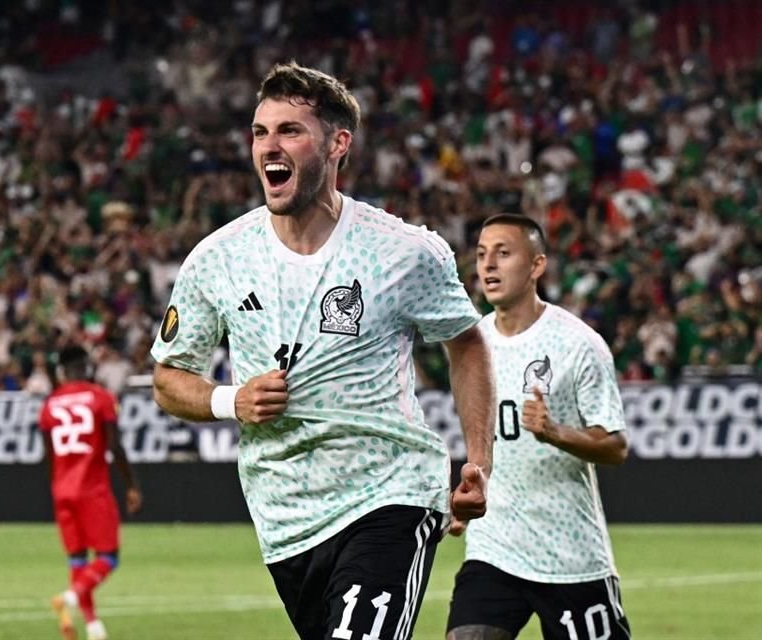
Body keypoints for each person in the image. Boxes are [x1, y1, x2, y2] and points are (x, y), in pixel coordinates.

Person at [151, 61, 495, 640]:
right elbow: (169, 377)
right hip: (285, 515)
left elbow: (466, 342)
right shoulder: (218, 259)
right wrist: (230, 401)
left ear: (338, 144)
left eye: (290, 130)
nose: (269, 146)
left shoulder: (404, 252)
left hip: (392, 493)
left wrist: (479, 460)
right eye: (261, 132)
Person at [446, 213, 631, 640]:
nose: (488, 265)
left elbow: (616, 446)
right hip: (494, 551)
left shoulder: (577, 344)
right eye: (481, 254)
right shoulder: (470, 344)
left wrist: (556, 432)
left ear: (536, 266)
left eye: (503, 253)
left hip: (569, 557)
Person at [38, 344, 143, 640]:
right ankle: (70, 598)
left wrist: (55, 490)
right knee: (108, 557)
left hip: (61, 490)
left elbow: (48, 456)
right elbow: (114, 445)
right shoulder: (100, 398)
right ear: (87, 367)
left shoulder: (49, 405)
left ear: (61, 371)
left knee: (77, 559)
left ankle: (91, 625)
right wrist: (132, 484)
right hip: (91, 488)